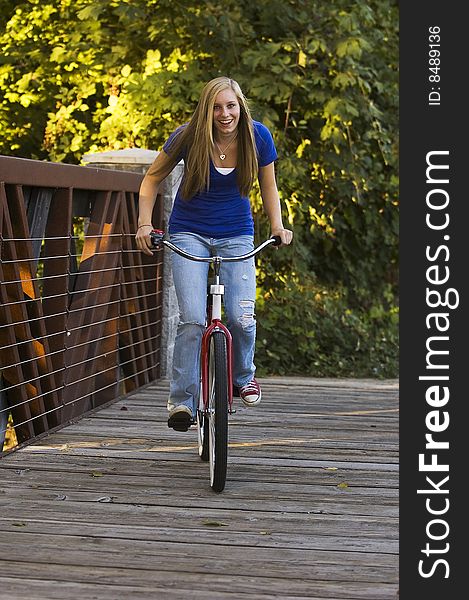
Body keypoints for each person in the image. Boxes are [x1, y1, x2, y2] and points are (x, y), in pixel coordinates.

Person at [135, 76, 293, 431]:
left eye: (231, 106)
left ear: (241, 106)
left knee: (241, 316)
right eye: (217, 107)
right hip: (189, 232)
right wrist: (145, 224)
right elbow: (150, 180)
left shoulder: (258, 136)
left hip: (237, 233)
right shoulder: (188, 136)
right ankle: (182, 401)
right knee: (191, 318)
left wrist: (278, 226)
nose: (225, 114)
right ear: (207, 109)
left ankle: (244, 377)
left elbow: (269, 186)